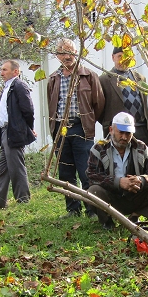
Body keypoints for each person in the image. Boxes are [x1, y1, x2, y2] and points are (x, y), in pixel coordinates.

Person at [99, 46, 148, 209]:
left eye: (126, 56)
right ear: (113, 58)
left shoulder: (139, 77)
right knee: (122, 164)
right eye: (119, 56)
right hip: (120, 131)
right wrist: (110, 125)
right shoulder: (105, 79)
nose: (123, 59)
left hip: (141, 127)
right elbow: (98, 107)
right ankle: (124, 201)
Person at [48, 38, 105, 218]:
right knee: (65, 172)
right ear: (57, 56)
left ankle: (92, 209)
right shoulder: (53, 78)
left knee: (86, 171)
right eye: (63, 52)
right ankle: (73, 209)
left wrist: (87, 121)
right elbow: (51, 104)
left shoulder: (88, 75)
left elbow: (99, 103)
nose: (68, 56)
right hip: (61, 129)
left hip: (81, 128)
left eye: (71, 51)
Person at [87, 112, 148, 230]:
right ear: (111, 130)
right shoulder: (98, 149)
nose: (124, 137)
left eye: (128, 133)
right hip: (111, 198)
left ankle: (135, 217)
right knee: (93, 191)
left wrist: (140, 180)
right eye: (121, 132)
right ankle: (107, 221)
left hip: (136, 196)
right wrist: (119, 182)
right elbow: (92, 176)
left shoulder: (142, 148)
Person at [0, 60, 36, 208]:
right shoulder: (7, 87)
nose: (1, 73)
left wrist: (28, 128)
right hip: (5, 132)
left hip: (14, 131)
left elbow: (28, 110)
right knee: (3, 167)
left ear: (15, 72)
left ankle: (23, 199)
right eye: (1, 70)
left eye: (5, 70)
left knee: (16, 166)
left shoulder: (19, 86)